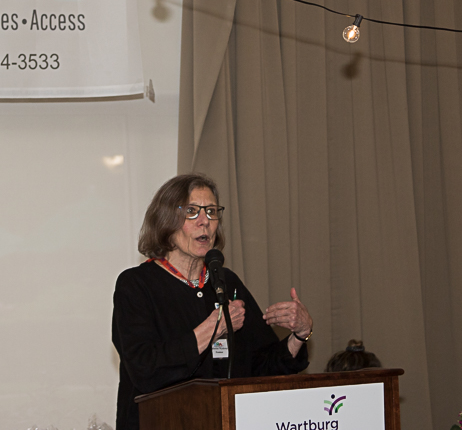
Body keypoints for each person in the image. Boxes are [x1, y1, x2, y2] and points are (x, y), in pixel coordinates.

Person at [111, 173, 313, 430]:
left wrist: (300, 334)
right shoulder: (136, 285)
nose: (205, 221)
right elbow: (145, 369)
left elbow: (262, 368)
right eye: (192, 212)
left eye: (211, 211)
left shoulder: (226, 282)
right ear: (165, 221)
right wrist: (212, 329)